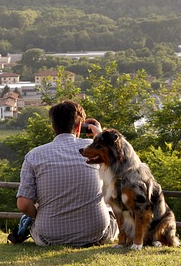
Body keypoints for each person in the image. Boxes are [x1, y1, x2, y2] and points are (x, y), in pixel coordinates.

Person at [8, 100, 118, 247]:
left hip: (49, 237)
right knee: (109, 205)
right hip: (97, 234)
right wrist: (100, 136)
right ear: (80, 126)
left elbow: (23, 204)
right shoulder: (94, 151)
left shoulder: (34, 155)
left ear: (53, 126)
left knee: (33, 213)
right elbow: (120, 166)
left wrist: (38, 215)